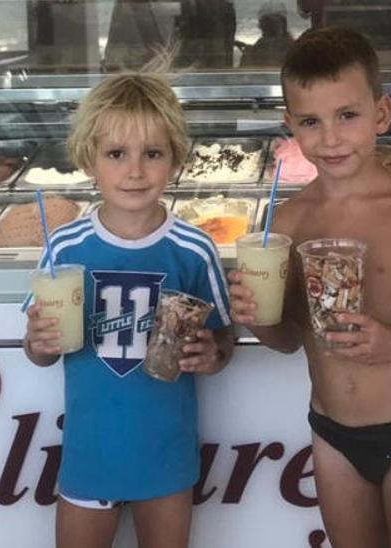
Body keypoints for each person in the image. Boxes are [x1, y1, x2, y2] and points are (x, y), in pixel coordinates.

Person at [226, 28, 391, 547]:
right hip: (332, 437)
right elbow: (289, 338)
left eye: (348, 115)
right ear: (290, 127)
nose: (331, 138)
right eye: (311, 122)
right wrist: (256, 314)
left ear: (381, 115)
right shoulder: (291, 221)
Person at [22, 71, 235, 548]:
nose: (134, 171)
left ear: (175, 160)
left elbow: (224, 341)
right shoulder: (65, 246)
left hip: (167, 454)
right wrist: (37, 343)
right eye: (116, 154)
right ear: (88, 160)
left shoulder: (194, 249)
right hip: (90, 452)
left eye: (152, 154)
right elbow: (39, 352)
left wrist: (212, 354)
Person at [238, 2, 295, 68]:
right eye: (268, 22)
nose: (271, 26)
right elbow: (245, 74)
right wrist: (248, 53)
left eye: (274, 23)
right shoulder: (256, 48)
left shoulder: (293, 50)